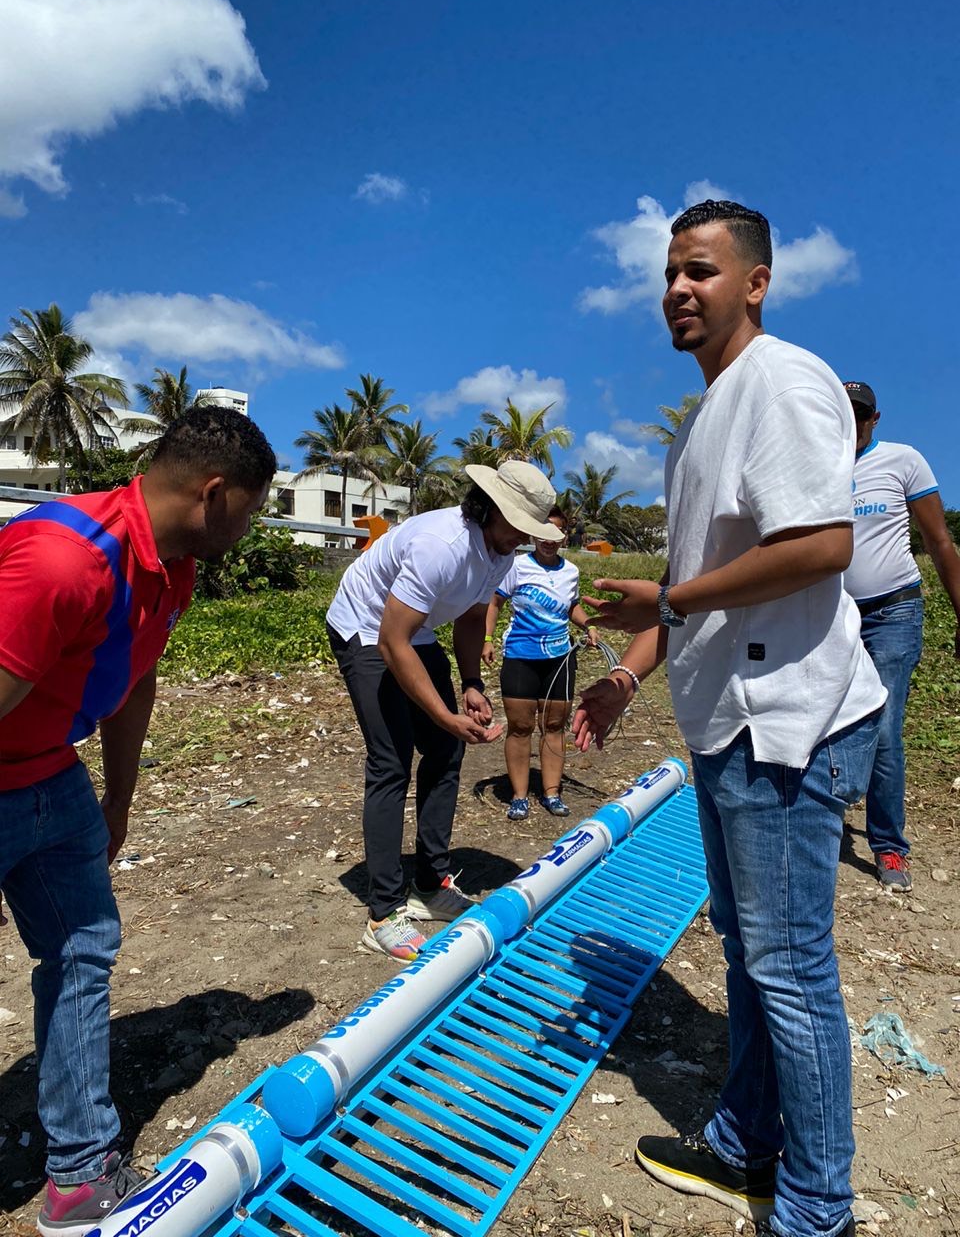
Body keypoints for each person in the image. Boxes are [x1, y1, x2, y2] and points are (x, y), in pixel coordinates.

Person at [572, 199, 886, 1237]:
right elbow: (692, 583)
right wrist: (627, 676)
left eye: (700, 270)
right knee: (751, 948)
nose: (678, 288)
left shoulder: (783, 382)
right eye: (670, 271)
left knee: (789, 966)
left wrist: (670, 601)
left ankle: (818, 1206)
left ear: (755, 282)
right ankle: (747, 1142)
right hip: (727, 723)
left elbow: (821, 545)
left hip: (785, 719)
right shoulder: (704, 416)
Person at [0, 406, 276, 1237]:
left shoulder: (170, 568)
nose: (250, 528)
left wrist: (117, 801)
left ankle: (80, 1174)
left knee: (83, 952)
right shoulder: (65, 560)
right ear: (215, 494)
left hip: (52, 777)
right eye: (251, 510)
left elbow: (132, 679)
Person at [325, 460, 562, 961]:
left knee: (446, 750)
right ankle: (383, 911)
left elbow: (473, 618)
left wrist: (471, 682)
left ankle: (430, 884)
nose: (524, 536)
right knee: (391, 762)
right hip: (366, 626)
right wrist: (442, 713)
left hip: (417, 631)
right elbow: (391, 641)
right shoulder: (443, 545)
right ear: (491, 508)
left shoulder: (501, 552)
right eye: (519, 523)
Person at [842, 380, 960, 893]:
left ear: (875, 418)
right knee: (827, 722)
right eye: (844, 412)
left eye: (861, 414)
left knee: (884, 729)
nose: (852, 422)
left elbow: (939, 540)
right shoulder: (816, 465)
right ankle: (822, 817)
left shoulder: (903, 461)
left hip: (894, 611)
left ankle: (888, 845)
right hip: (833, 616)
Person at [481, 506, 598, 820]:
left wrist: (588, 625)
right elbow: (494, 602)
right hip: (521, 656)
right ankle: (519, 796)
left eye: (556, 533)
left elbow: (572, 606)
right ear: (534, 534)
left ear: (564, 536)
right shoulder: (516, 565)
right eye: (543, 533)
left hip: (560, 659)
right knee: (520, 727)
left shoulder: (571, 571)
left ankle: (551, 793)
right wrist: (487, 638)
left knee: (554, 726)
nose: (549, 540)